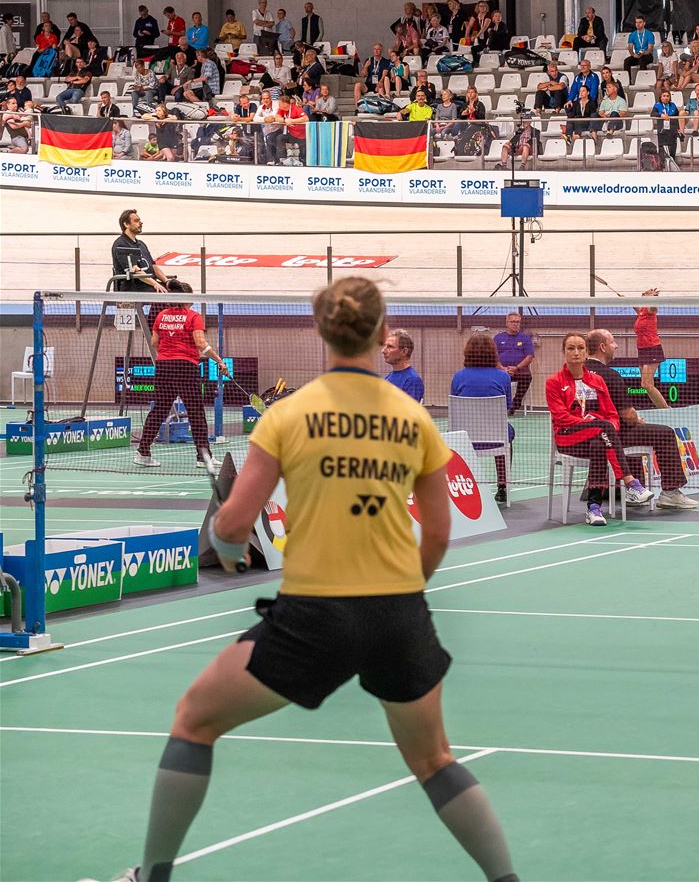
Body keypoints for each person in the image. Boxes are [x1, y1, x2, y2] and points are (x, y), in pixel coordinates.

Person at [94, 277, 519, 882]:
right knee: (434, 760)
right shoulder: (414, 419)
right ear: (382, 331)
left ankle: (152, 878)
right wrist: (405, 588)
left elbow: (232, 522)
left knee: (193, 720)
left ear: (321, 331)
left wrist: (229, 551)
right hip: (398, 612)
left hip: (316, 613)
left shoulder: (289, 415)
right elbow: (439, 533)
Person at [547, 331, 657, 525]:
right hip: (567, 437)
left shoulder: (597, 381)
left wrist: (608, 427)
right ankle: (631, 483)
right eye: (571, 348)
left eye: (580, 348)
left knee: (599, 444)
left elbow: (612, 414)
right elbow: (561, 417)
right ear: (564, 352)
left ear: (586, 351)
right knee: (603, 428)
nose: (576, 352)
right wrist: (595, 424)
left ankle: (594, 509)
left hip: (596, 436)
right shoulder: (554, 382)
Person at [583, 329, 698, 510]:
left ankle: (631, 490)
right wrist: (636, 419)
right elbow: (627, 415)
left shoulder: (577, 373)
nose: (616, 346)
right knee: (665, 433)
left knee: (632, 432)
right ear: (603, 347)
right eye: (613, 342)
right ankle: (670, 493)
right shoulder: (611, 376)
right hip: (609, 437)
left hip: (583, 439)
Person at [133, 279, 227, 473]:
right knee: (196, 412)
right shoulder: (193, 316)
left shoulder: (161, 316)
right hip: (185, 367)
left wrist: (170, 348)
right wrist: (219, 360)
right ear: (186, 298)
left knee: (159, 410)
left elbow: (154, 342)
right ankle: (203, 457)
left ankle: (143, 453)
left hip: (163, 367)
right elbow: (200, 344)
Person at [451, 332, 515, 507]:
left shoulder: (458, 377)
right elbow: (507, 409)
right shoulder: (503, 377)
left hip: (464, 438)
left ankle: (462, 488)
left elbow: (454, 407)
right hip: (496, 438)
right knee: (507, 432)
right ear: (493, 353)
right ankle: (503, 486)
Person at [112, 208, 169, 294]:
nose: (141, 223)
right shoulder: (121, 245)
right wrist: (155, 284)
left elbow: (153, 267)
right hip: (133, 287)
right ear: (126, 224)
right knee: (166, 293)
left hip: (148, 285)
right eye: (136, 221)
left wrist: (167, 281)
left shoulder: (141, 244)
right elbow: (136, 272)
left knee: (182, 289)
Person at [633, 289, 669, 410]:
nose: (643, 294)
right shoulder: (642, 310)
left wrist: (653, 297)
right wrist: (625, 300)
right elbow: (636, 308)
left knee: (647, 384)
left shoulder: (650, 309)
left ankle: (666, 410)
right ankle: (662, 409)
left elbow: (653, 306)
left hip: (651, 348)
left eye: (646, 294)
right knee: (645, 385)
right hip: (642, 349)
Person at [494, 311, 535, 407]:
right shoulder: (498, 338)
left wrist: (516, 368)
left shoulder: (525, 338)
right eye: (513, 322)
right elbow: (493, 356)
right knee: (494, 379)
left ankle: (515, 405)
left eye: (518, 322)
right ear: (507, 323)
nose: (515, 324)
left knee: (527, 377)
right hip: (501, 371)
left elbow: (529, 356)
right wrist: (503, 368)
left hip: (520, 372)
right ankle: (501, 405)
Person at [382, 327, 423, 402]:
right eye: (385, 346)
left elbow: (409, 408)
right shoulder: (387, 377)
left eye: (390, 347)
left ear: (404, 351)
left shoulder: (412, 380)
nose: (383, 351)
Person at [650, 90, 680, 163]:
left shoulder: (673, 105)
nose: (666, 98)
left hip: (672, 130)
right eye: (664, 96)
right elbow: (652, 114)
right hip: (662, 131)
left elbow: (677, 116)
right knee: (662, 149)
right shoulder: (657, 105)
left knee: (672, 149)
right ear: (660, 97)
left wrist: (678, 128)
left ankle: (672, 164)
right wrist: (661, 115)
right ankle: (662, 164)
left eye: (667, 96)